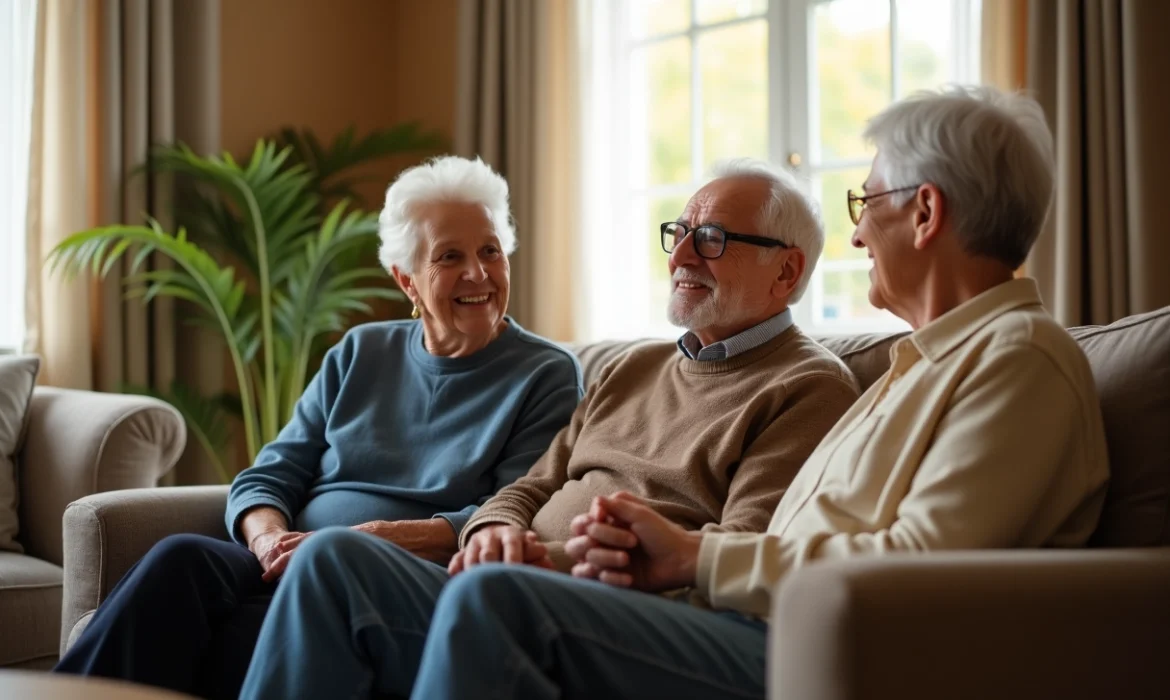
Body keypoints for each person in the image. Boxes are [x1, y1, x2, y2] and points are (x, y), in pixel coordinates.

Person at [405, 85, 1112, 700]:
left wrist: (693, 557)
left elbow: (917, 566)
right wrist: (600, 554)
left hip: (815, 652)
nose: (859, 232)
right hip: (767, 626)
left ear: (925, 213)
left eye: (867, 200)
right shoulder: (923, 364)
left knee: (498, 600)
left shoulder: (1017, 360)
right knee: (346, 564)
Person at [235, 159, 862, 699]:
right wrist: (494, 529)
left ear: (787, 272)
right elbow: (531, 487)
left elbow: (738, 552)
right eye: (680, 233)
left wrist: (541, 559)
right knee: (334, 555)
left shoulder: (807, 387)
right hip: (515, 579)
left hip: (627, 609)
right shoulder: (634, 365)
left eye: (714, 238)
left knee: (491, 593)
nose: (680, 256)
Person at [53, 156, 584, 699]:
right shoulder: (360, 351)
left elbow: (516, 510)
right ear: (408, 282)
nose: (478, 273)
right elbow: (269, 475)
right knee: (179, 559)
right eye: (451, 256)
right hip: (288, 562)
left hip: (385, 583)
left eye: (490, 251)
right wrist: (270, 543)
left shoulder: (544, 373)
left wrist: (365, 540)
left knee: (228, 634)